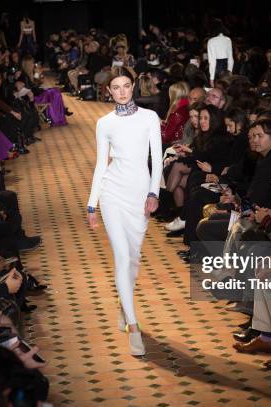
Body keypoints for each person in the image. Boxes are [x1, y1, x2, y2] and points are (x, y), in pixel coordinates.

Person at [86, 68, 162, 356]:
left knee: (133, 259)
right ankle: (133, 326)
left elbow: (156, 160)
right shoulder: (104, 123)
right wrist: (93, 203)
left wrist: (154, 193)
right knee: (121, 257)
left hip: (140, 196)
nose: (121, 91)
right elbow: (100, 165)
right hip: (113, 194)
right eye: (115, 87)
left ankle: (123, 302)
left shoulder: (149, 118)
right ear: (108, 92)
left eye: (126, 86)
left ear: (133, 87)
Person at [207, 19, 233, 87]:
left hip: (217, 69)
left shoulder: (211, 41)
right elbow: (231, 59)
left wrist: (211, 78)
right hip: (226, 68)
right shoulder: (228, 39)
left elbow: (212, 61)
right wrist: (230, 73)